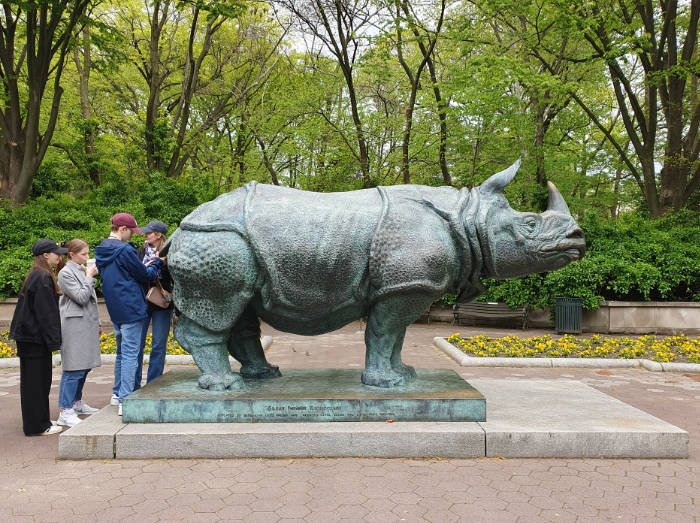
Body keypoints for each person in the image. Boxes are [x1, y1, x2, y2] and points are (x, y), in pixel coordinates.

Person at [95, 213, 162, 415]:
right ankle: (126, 399)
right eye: (131, 232)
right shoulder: (125, 250)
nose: (132, 236)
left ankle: (117, 395)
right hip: (132, 307)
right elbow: (143, 275)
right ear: (122, 229)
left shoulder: (100, 249)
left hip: (114, 308)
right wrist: (157, 263)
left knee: (121, 354)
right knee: (131, 355)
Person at [10, 239, 69, 436]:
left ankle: (39, 420)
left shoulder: (37, 274)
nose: (59, 256)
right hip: (35, 338)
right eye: (56, 253)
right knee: (37, 382)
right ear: (45, 255)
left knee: (34, 381)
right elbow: (46, 314)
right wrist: (54, 341)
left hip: (29, 337)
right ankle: (38, 425)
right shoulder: (43, 277)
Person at [56, 239, 102, 427]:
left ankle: (76, 403)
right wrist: (90, 276)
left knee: (84, 367)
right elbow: (82, 297)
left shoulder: (81, 270)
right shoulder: (65, 273)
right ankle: (65, 411)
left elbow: (91, 300)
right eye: (83, 254)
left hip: (86, 323)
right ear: (72, 254)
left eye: (87, 253)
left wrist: (97, 322)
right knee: (73, 367)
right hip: (74, 325)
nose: (86, 257)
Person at [135, 220, 174, 387]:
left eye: (149, 232)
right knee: (137, 345)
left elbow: (176, 280)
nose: (145, 235)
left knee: (158, 345)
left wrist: (164, 262)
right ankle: (134, 384)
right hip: (142, 301)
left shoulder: (171, 252)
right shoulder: (141, 251)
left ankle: (153, 383)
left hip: (162, 303)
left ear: (158, 235)